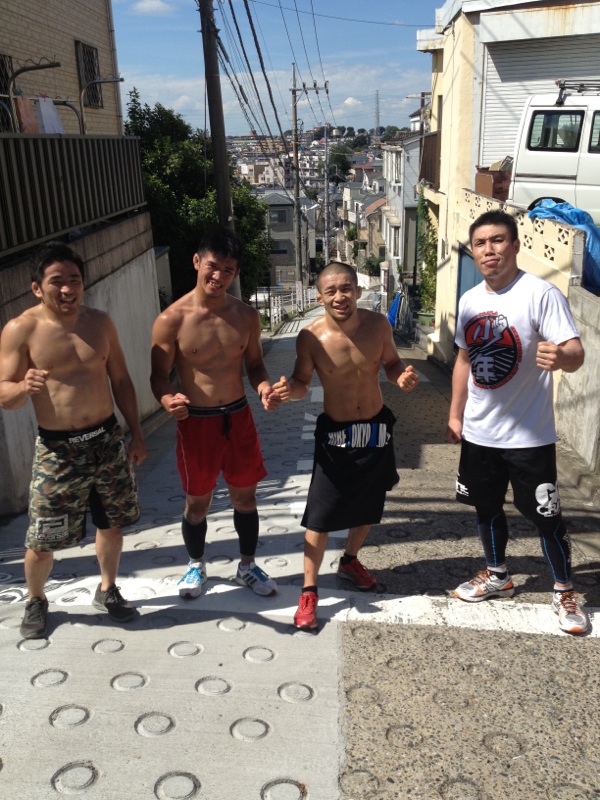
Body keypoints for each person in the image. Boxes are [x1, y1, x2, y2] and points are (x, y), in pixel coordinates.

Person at [445, 209, 588, 635]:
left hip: (529, 436)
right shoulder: (470, 300)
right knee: (486, 508)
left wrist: (561, 357)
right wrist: (455, 414)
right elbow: (464, 360)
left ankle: (564, 590)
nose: (489, 250)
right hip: (479, 434)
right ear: (473, 252)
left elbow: (576, 352)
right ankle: (497, 576)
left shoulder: (541, 294)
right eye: (480, 243)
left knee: (546, 516)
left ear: (515, 245)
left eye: (497, 240)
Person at [0, 242, 147, 640]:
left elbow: (121, 380)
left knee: (112, 525)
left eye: (74, 280)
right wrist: (23, 387)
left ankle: (107, 588)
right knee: (42, 538)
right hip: (58, 450)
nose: (67, 289)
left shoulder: (100, 323)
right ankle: (36, 599)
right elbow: (4, 393)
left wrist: (136, 432)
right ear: (36, 287)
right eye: (56, 282)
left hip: (107, 441)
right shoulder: (20, 330)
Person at [272, 262, 419, 630]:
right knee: (320, 515)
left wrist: (400, 376)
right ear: (319, 297)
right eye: (331, 291)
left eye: (346, 288)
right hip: (336, 434)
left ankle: (350, 560)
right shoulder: (310, 337)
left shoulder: (379, 325)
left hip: (375, 428)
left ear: (357, 290)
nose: (340, 296)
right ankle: (309, 590)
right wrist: (289, 391)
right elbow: (301, 381)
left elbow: (391, 362)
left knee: (369, 503)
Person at [150, 227, 281, 600]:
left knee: (246, 499)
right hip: (196, 424)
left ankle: (247, 566)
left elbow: (254, 366)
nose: (219, 276)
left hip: (238, 417)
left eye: (228, 269)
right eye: (213, 266)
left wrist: (264, 388)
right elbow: (158, 376)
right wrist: (167, 399)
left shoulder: (246, 316)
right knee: (197, 503)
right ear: (197, 262)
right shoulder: (171, 320)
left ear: (236, 272)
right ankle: (196, 564)